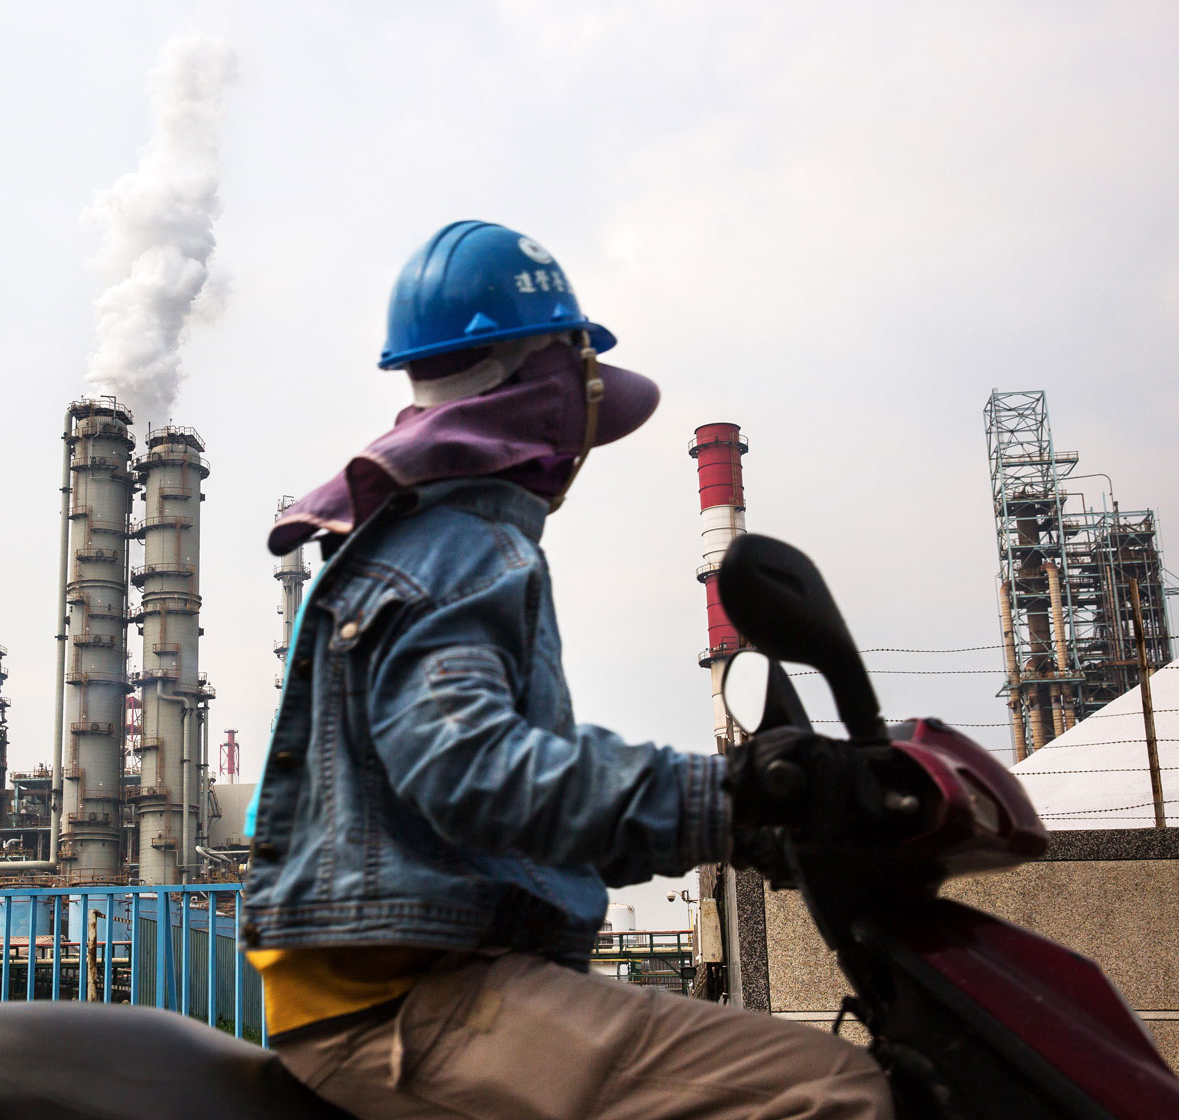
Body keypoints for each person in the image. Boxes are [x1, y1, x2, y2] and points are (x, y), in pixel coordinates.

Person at [239, 221, 893, 1119]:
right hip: (402, 1001)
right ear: (558, 390)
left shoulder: (437, 535)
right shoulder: (459, 543)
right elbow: (471, 770)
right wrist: (735, 794)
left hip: (415, 981)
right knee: (835, 1090)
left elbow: (520, 819)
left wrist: (742, 825)